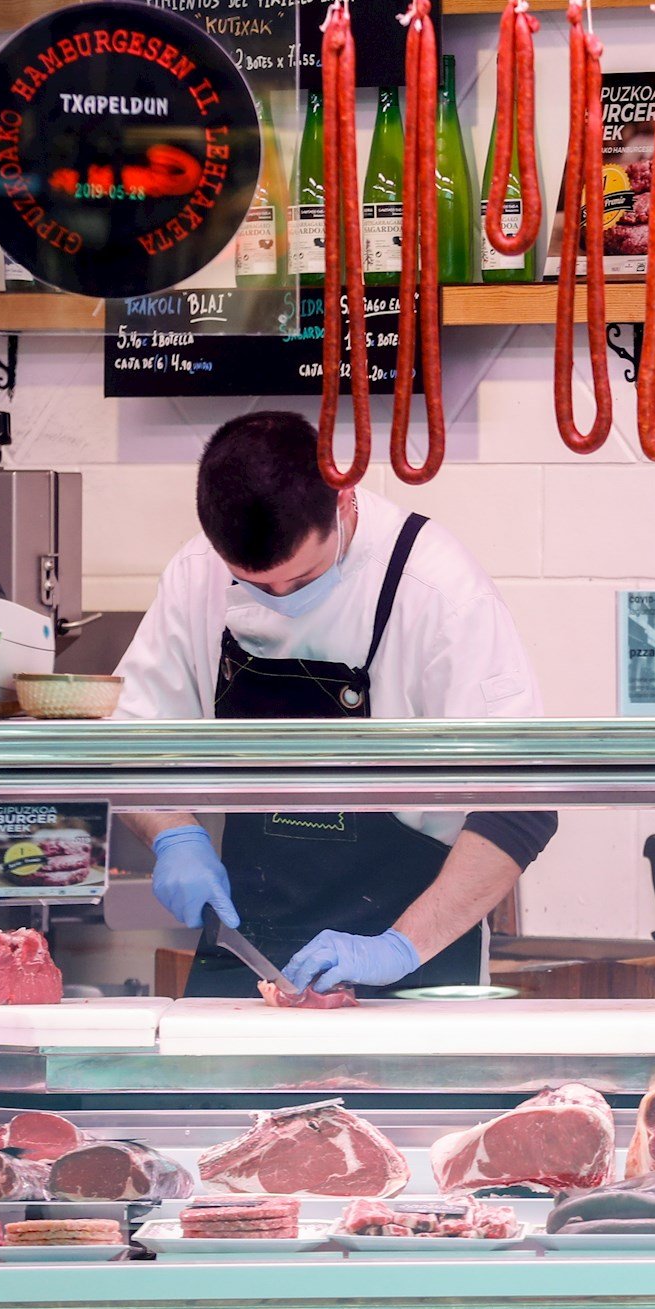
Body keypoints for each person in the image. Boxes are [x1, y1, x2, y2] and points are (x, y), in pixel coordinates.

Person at [114, 411, 556, 998]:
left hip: (413, 952)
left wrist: (399, 948)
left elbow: (522, 805)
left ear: (344, 501)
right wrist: (172, 834)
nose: (278, 600)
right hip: (247, 942)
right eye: (253, 585)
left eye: (300, 580)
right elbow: (127, 747)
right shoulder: (196, 573)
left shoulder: (438, 590)